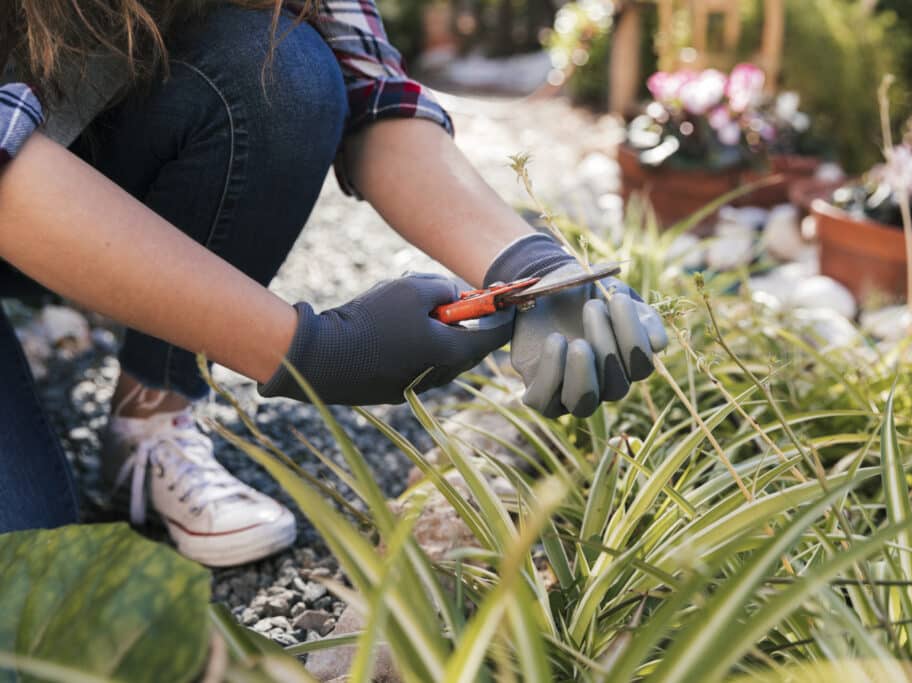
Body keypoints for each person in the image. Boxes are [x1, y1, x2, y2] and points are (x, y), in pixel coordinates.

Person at [0, 0, 667, 567]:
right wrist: (309, 350)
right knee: (19, 596)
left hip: (63, 163)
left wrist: (526, 262)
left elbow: (373, 95)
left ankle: (151, 416)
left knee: (286, 71)